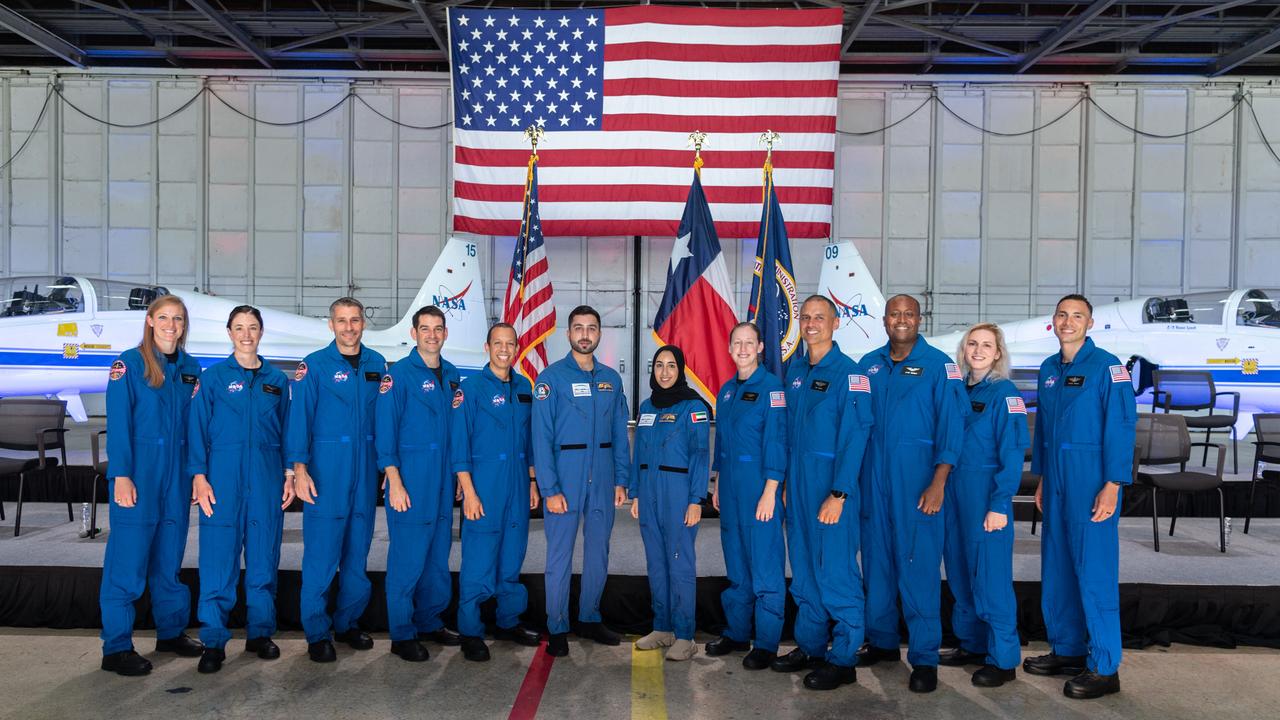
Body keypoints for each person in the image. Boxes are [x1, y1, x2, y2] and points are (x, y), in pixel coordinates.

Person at [1025, 294, 1136, 700]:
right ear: (1052, 322)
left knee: (1094, 572)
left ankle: (1105, 667)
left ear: (1090, 324)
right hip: (1055, 482)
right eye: (1062, 315)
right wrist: (1041, 477)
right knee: (1058, 568)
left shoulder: (1109, 367)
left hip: (1092, 482)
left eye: (1077, 316)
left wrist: (1113, 483)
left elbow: (1123, 425)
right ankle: (1068, 649)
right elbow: (1045, 430)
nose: (1068, 322)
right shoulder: (1048, 370)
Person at [857, 294, 967, 693]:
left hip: (918, 484)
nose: (901, 320)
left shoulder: (941, 366)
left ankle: (923, 657)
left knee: (918, 567)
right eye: (894, 314)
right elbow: (854, 425)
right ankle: (883, 642)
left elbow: (953, 428)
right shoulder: (867, 366)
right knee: (878, 565)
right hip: (873, 483)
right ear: (884, 319)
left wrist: (939, 481)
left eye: (909, 314)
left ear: (920, 319)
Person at [772, 296, 874, 691]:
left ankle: (844, 657)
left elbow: (856, 437)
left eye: (820, 318)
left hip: (832, 488)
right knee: (805, 574)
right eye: (806, 317)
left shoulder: (850, 374)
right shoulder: (795, 371)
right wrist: (783, 484)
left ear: (835, 323)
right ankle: (812, 647)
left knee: (836, 573)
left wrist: (840, 492)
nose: (812, 323)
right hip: (798, 488)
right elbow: (788, 434)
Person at [99, 295, 204, 676]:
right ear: (149, 320)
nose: (171, 325)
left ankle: (171, 631)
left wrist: (197, 474)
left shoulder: (191, 368)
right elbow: (120, 424)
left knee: (168, 560)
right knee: (127, 562)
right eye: (164, 317)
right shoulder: (128, 363)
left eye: (177, 319)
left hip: (176, 477)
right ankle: (116, 648)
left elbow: (196, 427)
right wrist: (121, 474)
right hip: (139, 474)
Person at [188, 306, 294, 673]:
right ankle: (214, 641)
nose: (246, 335)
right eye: (239, 328)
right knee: (218, 562)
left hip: (265, 479)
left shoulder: (277, 380)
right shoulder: (213, 378)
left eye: (252, 328)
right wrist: (199, 476)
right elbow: (197, 429)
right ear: (229, 333)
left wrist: (289, 474)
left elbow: (287, 431)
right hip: (222, 480)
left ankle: (260, 634)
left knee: (264, 559)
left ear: (261, 332)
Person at [287, 297, 387, 662]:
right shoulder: (313, 366)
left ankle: (347, 624)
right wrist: (299, 469)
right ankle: (317, 632)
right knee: (322, 555)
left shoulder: (378, 364)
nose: (349, 327)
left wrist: (387, 466)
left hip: (365, 471)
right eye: (342, 321)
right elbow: (299, 419)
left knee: (357, 554)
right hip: (326, 471)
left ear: (363, 324)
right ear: (330, 325)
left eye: (355, 320)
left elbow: (385, 419)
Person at [531, 305, 631, 657]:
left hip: (602, 474)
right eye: (578, 328)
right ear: (568, 333)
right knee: (559, 554)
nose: (585, 334)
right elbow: (540, 438)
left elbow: (620, 431)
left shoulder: (611, 380)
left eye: (591, 328)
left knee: (598, 551)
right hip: (565, 473)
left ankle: (590, 616)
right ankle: (557, 625)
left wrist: (622, 479)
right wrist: (550, 488)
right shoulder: (550, 379)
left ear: (599, 333)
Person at [940, 323, 1029, 688]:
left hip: (986, 497)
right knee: (960, 574)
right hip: (954, 496)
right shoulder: (956, 390)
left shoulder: (1006, 394)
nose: (977, 350)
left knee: (990, 579)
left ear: (997, 353)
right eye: (972, 344)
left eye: (986, 345)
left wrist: (999, 503)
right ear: (963, 351)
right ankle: (972, 644)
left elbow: (1012, 454)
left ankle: (1003, 658)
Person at [375, 305, 463, 663]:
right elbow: (385, 432)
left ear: (445, 333)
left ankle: (430, 619)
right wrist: (393, 479)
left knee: (437, 558)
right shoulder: (398, 376)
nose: (432, 335)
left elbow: (458, 431)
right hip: (411, 479)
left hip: (443, 481)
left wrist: (459, 475)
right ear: (413, 333)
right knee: (407, 559)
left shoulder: (454, 374)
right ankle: (401, 632)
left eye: (438, 328)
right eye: (424, 328)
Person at [451, 323, 543, 662]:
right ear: (486, 347)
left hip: (518, 485)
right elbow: (459, 443)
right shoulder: (470, 389)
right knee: (478, 561)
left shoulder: (524, 386)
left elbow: (530, 441)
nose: (504, 349)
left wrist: (532, 482)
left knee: (511, 558)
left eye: (510, 344)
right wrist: (469, 492)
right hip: (484, 485)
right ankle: (471, 632)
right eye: (498, 343)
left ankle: (508, 622)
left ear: (516, 348)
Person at [704, 322, 787, 670]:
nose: (742, 349)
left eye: (748, 343)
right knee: (736, 563)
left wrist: (771, 490)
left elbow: (777, 443)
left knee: (765, 566)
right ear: (728, 348)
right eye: (736, 343)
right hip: (732, 487)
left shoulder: (772, 389)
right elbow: (721, 443)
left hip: (759, 487)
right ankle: (737, 632)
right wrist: (718, 481)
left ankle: (766, 643)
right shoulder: (725, 392)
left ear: (761, 347)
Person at [630, 345, 710, 662]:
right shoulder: (646, 407)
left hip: (679, 493)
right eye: (659, 365)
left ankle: (686, 634)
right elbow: (639, 455)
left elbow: (701, 455)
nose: (665, 372)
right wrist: (635, 493)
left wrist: (695, 500)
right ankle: (662, 628)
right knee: (656, 564)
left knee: (680, 565)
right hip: (648, 494)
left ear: (681, 370)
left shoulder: (694, 407)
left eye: (671, 366)